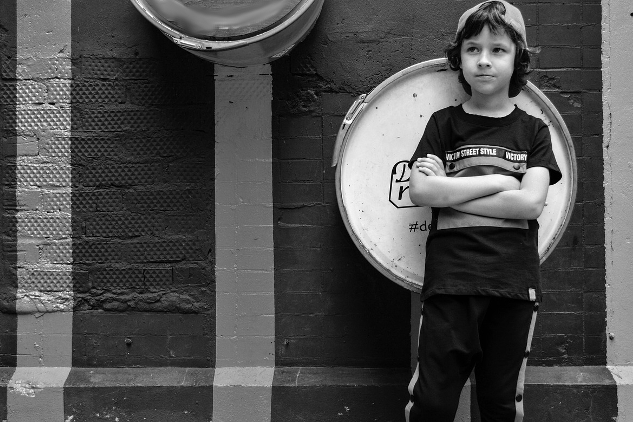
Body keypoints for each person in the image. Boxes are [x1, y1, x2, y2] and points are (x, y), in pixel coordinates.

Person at [405, 1, 562, 421]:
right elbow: (420, 189)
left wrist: (450, 189)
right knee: (432, 403)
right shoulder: (444, 124)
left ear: (518, 60)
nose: (484, 61)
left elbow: (530, 203)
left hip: (512, 285)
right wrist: (501, 181)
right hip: (451, 281)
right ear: (459, 58)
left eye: (498, 50)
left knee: (499, 403)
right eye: (473, 49)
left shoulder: (533, 130)